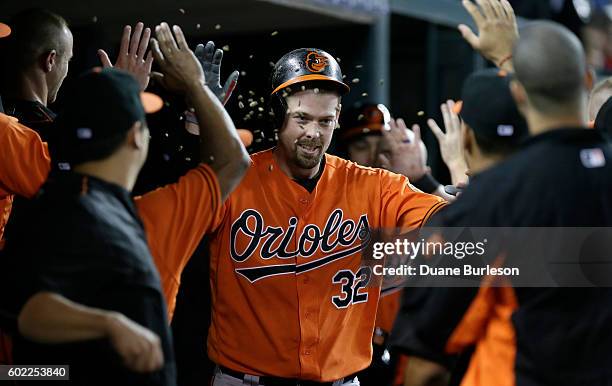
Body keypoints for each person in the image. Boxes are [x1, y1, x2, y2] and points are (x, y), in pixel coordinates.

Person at [0, 22, 249, 365]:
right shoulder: (153, 217)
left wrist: (115, 98)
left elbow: (26, 314)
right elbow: (233, 162)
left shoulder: (32, 221)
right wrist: (195, 91)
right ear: (136, 137)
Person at [392, 0, 612, 385]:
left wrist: (511, 59)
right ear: (589, 82)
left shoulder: (490, 200)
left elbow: (425, 363)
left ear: (519, 94)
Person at [201, 47, 446, 386]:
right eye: (302, 119)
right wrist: (201, 122)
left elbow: (449, 223)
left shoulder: (374, 186)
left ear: (337, 116)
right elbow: (187, 203)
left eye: (325, 121)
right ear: (277, 115)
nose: (314, 133)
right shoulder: (237, 178)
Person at [0, 68, 175, 385]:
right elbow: (28, 315)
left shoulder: (84, 200)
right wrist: (111, 325)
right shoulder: (75, 207)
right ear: (135, 135)